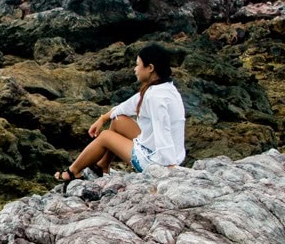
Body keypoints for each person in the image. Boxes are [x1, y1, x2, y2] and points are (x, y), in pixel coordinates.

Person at [55, 43, 186, 189]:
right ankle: (102, 165)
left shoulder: (156, 97)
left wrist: (170, 168)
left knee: (105, 136)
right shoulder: (164, 88)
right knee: (118, 120)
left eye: (138, 65)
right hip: (160, 151)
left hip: (157, 162)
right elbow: (126, 106)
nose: (135, 69)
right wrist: (103, 118)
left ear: (150, 68)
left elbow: (163, 131)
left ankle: (73, 171)